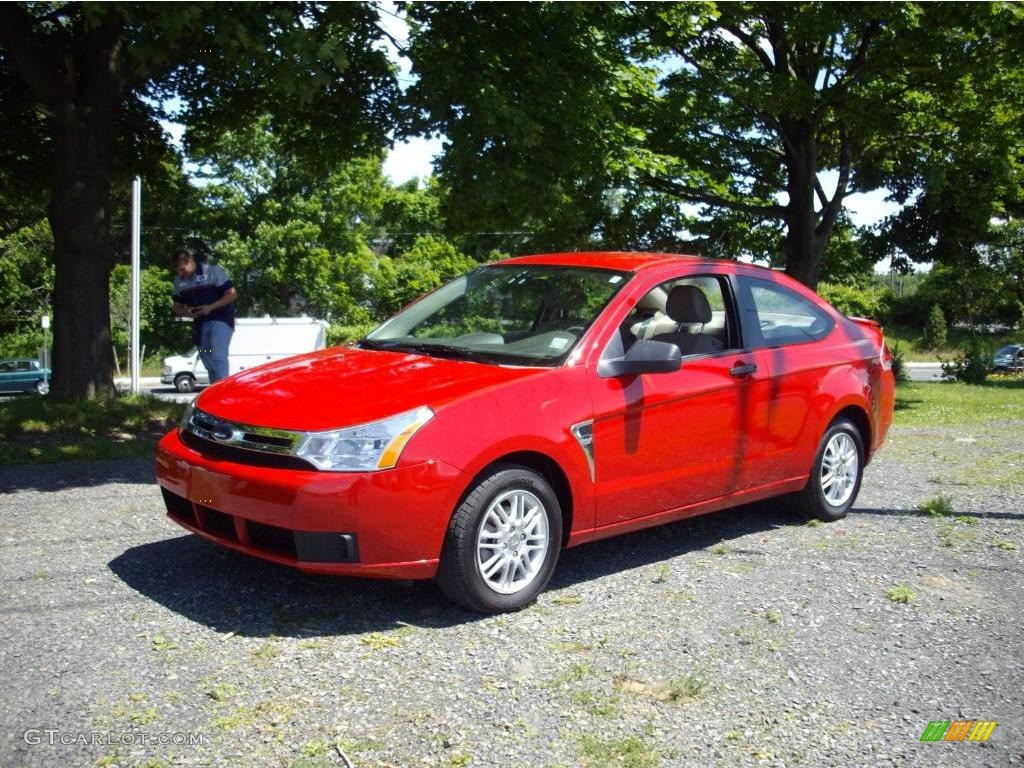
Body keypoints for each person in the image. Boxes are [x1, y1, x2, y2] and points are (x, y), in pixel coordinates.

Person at [171, 249, 238, 385]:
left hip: (220, 320)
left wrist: (210, 307)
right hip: (201, 324)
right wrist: (189, 313)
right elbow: (177, 307)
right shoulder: (179, 281)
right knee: (206, 353)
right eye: (178, 271)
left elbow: (232, 294)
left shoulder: (212, 271)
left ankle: (222, 391)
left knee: (218, 355)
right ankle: (215, 387)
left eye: (183, 269)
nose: (180, 273)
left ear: (190, 261)